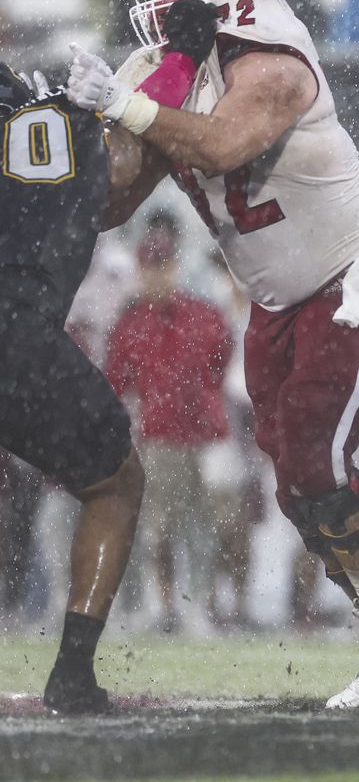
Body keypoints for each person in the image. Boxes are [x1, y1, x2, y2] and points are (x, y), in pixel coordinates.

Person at [63, 0, 359, 711]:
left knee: (316, 460)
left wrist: (127, 105)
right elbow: (112, 201)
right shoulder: (159, 69)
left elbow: (224, 145)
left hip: (351, 278)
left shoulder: (267, 33)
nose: (160, 7)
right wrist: (84, 131)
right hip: (275, 303)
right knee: (297, 492)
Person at [0, 65, 147, 713]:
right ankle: (72, 673)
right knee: (115, 483)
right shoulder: (59, 115)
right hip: (15, 334)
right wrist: (111, 111)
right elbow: (124, 174)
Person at [106, 215, 233, 633]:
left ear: (174, 266)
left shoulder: (202, 314)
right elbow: (116, 384)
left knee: (203, 526)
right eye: (150, 265)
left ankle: (198, 607)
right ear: (140, 269)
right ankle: (160, 606)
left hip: (205, 437)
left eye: (162, 265)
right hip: (157, 438)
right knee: (156, 528)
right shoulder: (130, 324)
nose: (156, 274)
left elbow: (222, 364)